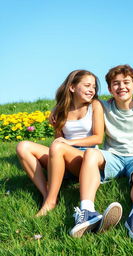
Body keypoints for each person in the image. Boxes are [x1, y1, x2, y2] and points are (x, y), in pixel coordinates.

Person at [69, 65, 133, 241]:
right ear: (110, 89)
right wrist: (58, 112)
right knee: (90, 154)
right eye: (116, 84)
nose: (121, 87)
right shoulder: (101, 106)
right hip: (113, 156)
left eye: (126, 82)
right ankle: (87, 211)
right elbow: (76, 101)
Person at [16, 69, 107, 217]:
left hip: (84, 160)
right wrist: (58, 129)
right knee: (23, 146)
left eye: (94, 87)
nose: (92, 90)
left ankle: (50, 202)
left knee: (59, 146)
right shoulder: (60, 110)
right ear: (72, 87)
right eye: (87, 85)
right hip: (62, 156)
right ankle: (47, 195)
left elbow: (98, 138)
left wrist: (68, 143)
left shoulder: (94, 105)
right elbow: (57, 141)